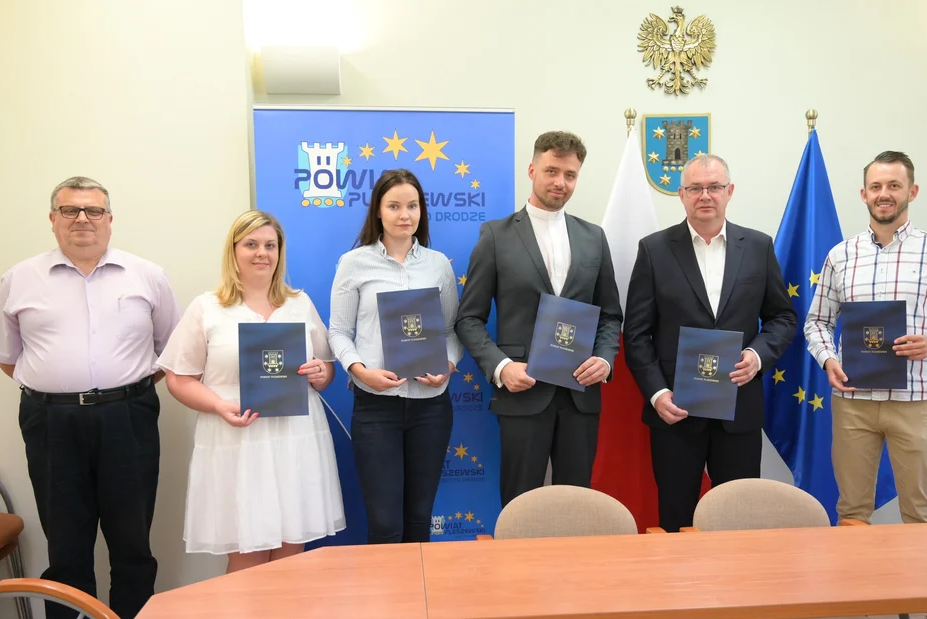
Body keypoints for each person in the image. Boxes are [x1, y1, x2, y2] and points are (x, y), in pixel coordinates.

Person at [0, 176, 180, 619]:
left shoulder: (147, 275)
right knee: (66, 544)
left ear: (109, 219)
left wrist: (117, 391)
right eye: (70, 210)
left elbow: (170, 349)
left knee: (132, 542)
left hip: (128, 417)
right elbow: (8, 357)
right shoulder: (20, 278)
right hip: (51, 422)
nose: (82, 220)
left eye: (93, 211)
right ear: (52, 219)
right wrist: (62, 390)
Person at [804, 150, 927, 619]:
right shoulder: (842, 255)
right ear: (864, 194)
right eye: (876, 186)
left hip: (915, 402)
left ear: (912, 192)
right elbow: (817, 322)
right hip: (853, 404)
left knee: (921, 518)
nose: (884, 194)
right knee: (852, 514)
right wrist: (829, 358)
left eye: (894, 185)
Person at [158, 210, 345, 573]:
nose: (262, 253)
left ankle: (286, 615)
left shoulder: (299, 304)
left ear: (280, 252)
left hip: (294, 440)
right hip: (237, 442)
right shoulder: (208, 307)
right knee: (248, 556)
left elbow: (325, 370)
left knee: (292, 552)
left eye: (270, 245)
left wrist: (321, 372)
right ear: (233, 250)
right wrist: (218, 405)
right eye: (251, 244)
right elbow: (179, 379)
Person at [624, 154, 797, 532]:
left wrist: (757, 355)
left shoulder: (758, 246)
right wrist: (657, 394)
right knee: (675, 517)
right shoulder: (654, 249)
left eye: (714, 187)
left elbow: (783, 318)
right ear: (681, 194)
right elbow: (636, 334)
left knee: (737, 518)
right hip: (676, 411)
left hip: (739, 407)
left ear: (729, 191)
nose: (705, 195)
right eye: (695, 188)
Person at [455, 131, 623, 507]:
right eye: (551, 171)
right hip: (522, 391)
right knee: (521, 506)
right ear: (532, 170)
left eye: (570, 175)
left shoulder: (594, 237)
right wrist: (501, 367)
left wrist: (605, 358)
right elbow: (469, 318)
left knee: (577, 506)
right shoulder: (495, 236)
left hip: (580, 393)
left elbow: (611, 314)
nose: (560, 182)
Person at [329, 169, 462, 544]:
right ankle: (387, 587)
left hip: (431, 407)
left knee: (419, 520)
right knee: (386, 524)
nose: (405, 215)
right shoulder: (354, 262)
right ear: (378, 211)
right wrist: (360, 371)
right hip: (376, 407)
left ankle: (419, 587)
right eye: (394, 206)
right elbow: (338, 331)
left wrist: (448, 366)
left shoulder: (438, 264)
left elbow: (451, 330)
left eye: (412, 206)